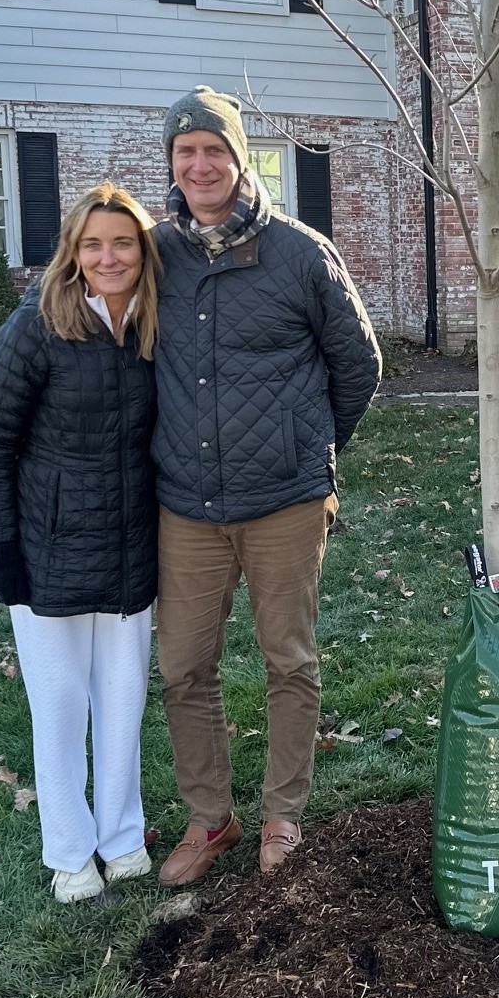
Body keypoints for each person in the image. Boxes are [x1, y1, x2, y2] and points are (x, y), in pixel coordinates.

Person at [152, 88, 382, 886]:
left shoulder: (299, 252)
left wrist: (308, 449)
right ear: (173, 164)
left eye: (215, 149)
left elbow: (359, 365)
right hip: (186, 503)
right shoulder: (155, 256)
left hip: (284, 501)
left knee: (287, 659)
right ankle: (210, 820)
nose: (201, 164)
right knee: (183, 665)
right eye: (187, 152)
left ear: (240, 158)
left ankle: (283, 814)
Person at [0, 185, 161, 903]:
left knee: (122, 699)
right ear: (73, 253)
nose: (108, 257)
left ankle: (121, 837)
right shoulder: (37, 324)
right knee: (59, 707)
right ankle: (70, 853)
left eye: (123, 243)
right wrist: (1, 545)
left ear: (142, 252)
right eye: (93, 244)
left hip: (132, 547)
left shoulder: (151, 321)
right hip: (47, 546)